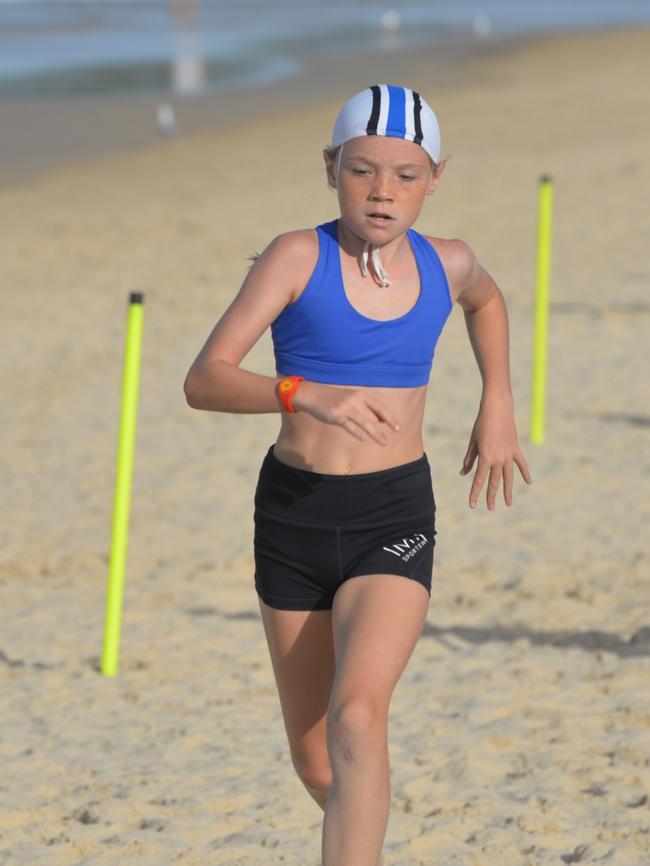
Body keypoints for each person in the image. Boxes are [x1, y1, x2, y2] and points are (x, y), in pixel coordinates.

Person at [184, 83, 533, 866]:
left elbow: (487, 300)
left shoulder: (448, 262)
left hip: (392, 516)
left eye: (405, 176)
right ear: (330, 169)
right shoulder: (295, 257)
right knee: (318, 762)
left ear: (435, 178)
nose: (383, 192)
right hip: (293, 516)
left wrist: (499, 401)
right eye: (362, 171)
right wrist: (300, 392)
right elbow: (203, 379)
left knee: (357, 720)